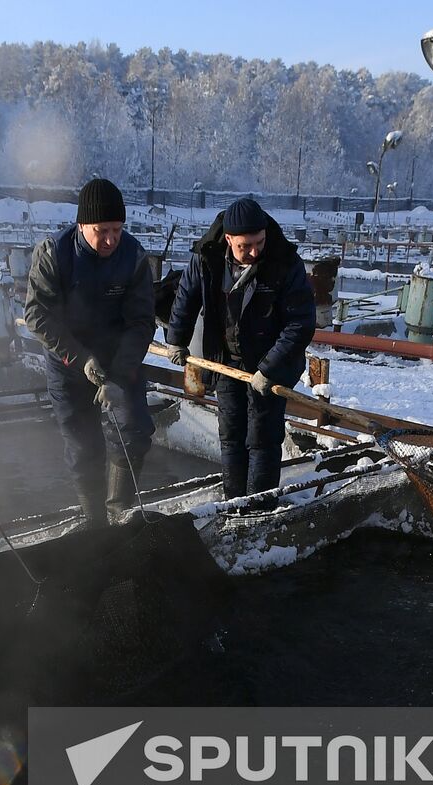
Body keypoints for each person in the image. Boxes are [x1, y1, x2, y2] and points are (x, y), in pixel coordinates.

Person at [24, 178, 156, 526]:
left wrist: (116, 375)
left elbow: (141, 323)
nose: (111, 239)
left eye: (117, 229)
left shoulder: (134, 257)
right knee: (83, 446)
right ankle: (95, 521)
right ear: (82, 225)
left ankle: (119, 512)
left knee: (135, 430)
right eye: (102, 230)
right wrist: (80, 358)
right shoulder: (54, 253)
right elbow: (37, 315)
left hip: (118, 359)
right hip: (69, 361)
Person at [166, 197, 315, 500]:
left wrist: (268, 369)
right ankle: (234, 501)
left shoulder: (283, 262)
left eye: (259, 242)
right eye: (245, 246)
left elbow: (300, 323)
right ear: (228, 239)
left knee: (262, 438)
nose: (254, 251)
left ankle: (260, 508)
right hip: (226, 361)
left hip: (269, 364)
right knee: (231, 434)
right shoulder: (207, 256)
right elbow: (187, 295)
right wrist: (177, 339)